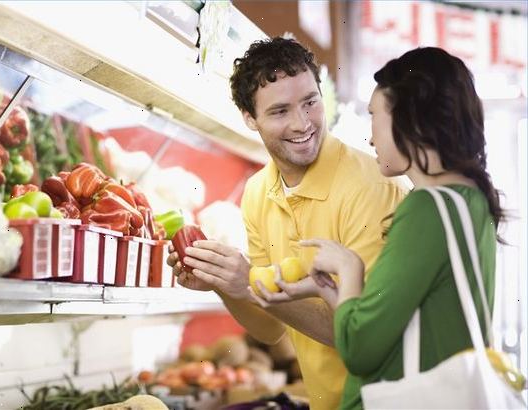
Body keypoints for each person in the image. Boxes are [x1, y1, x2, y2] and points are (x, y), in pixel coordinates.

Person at [251, 46, 503, 409]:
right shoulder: (471, 202)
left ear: (408, 120)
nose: (371, 139)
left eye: (374, 117)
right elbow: (402, 321)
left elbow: (360, 349)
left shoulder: (426, 208)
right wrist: (325, 290)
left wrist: (349, 269)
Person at [167, 37, 404, 409]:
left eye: (310, 102)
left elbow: (364, 331)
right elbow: (270, 328)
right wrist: (225, 285)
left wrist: (246, 281)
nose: (302, 123)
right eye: (279, 112)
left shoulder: (369, 185)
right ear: (250, 119)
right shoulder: (258, 193)